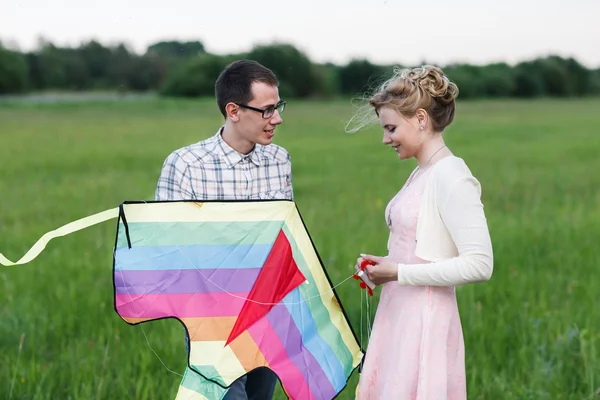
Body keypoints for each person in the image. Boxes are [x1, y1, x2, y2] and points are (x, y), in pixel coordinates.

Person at [347, 65, 494, 399]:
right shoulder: (422, 172)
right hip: (399, 311)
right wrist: (384, 267)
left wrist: (399, 271)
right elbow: (423, 248)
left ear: (421, 120)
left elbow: (480, 264)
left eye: (391, 128)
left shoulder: (451, 176)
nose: (385, 139)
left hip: (425, 319)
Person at [155, 59, 292, 399]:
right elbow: (168, 246)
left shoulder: (279, 160)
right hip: (211, 317)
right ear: (233, 110)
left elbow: (285, 235)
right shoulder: (186, 164)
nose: (277, 119)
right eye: (267, 110)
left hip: (267, 312)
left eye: (278, 107)